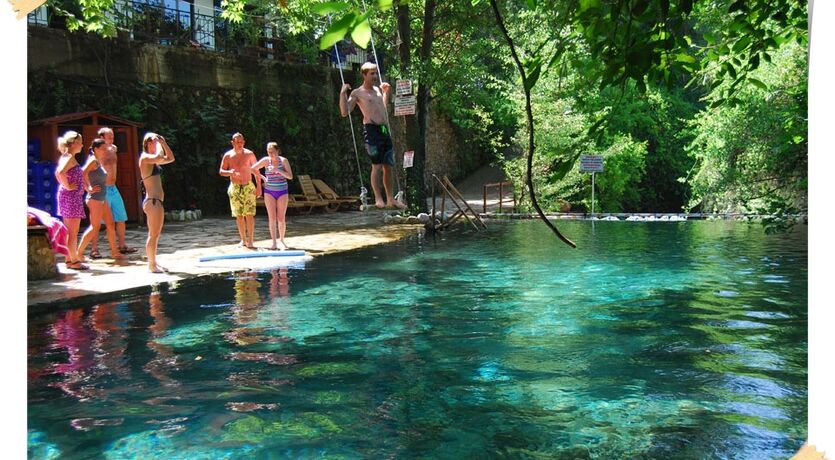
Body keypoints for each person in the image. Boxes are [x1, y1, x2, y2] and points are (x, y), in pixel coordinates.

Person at [339, 62, 405, 209]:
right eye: (372, 74)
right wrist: (343, 93)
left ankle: (390, 198)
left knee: (389, 165)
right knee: (377, 166)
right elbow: (345, 112)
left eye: (376, 73)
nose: (375, 76)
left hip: (383, 129)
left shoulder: (377, 90)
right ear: (364, 75)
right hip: (371, 131)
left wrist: (386, 93)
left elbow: (382, 107)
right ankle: (378, 198)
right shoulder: (357, 92)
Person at [89, 127, 137, 259]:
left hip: (113, 188)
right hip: (102, 189)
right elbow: (88, 172)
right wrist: (90, 188)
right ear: (101, 138)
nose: (112, 138)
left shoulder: (114, 149)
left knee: (121, 218)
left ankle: (122, 246)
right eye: (109, 136)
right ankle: (94, 249)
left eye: (112, 136)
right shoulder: (96, 154)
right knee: (97, 221)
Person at [77, 139, 126, 263]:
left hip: (102, 198)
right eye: (103, 148)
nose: (106, 150)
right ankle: (79, 253)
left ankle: (115, 252)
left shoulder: (98, 161)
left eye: (106, 148)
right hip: (95, 199)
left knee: (110, 224)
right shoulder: (93, 161)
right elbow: (81, 173)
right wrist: (88, 188)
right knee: (95, 227)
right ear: (96, 149)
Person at [139, 132, 176, 273]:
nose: (155, 144)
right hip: (153, 202)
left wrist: (164, 143)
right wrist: (159, 144)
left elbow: (170, 158)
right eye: (152, 142)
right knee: (153, 234)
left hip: (156, 201)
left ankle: (154, 262)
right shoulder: (145, 157)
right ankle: (151, 265)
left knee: (155, 234)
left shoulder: (153, 160)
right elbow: (159, 157)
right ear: (147, 144)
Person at [219, 132, 262, 249]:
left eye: (242, 142)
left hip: (248, 186)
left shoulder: (249, 154)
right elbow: (221, 171)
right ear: (232, 143)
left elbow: (256, 170)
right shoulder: (228, 155)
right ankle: (243, 239)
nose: (240, 144)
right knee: (238, 215)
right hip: (235, 186)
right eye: (237, 142)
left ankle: (251, 241)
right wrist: (230, 172)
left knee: (249, 214)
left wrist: (259, 186)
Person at [54, 131, 88, 270]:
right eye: (80, 142)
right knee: (73, 232)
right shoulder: (68, 157)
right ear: (73, 143)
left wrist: (65, 185)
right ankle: (73, 261)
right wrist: (67, 186)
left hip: (69, 196)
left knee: (71, 231)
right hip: (71, 197)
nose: (82, 145)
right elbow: (60, 172)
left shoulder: (66, 156)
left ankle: (69, 259)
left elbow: (57, 172)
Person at [252, 142, 293, 250]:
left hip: (282, 191)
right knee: (272, 218)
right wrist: (263, 178)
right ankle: (274, 243)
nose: (271, 154)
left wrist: (278, 170)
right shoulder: (266, 160)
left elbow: (290, 176)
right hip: (269, 191)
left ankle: (282, 240)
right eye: (269, 152)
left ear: (277, 151)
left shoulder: (283, 161)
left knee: (281, 217)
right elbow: (252, 169)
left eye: (273, 152)